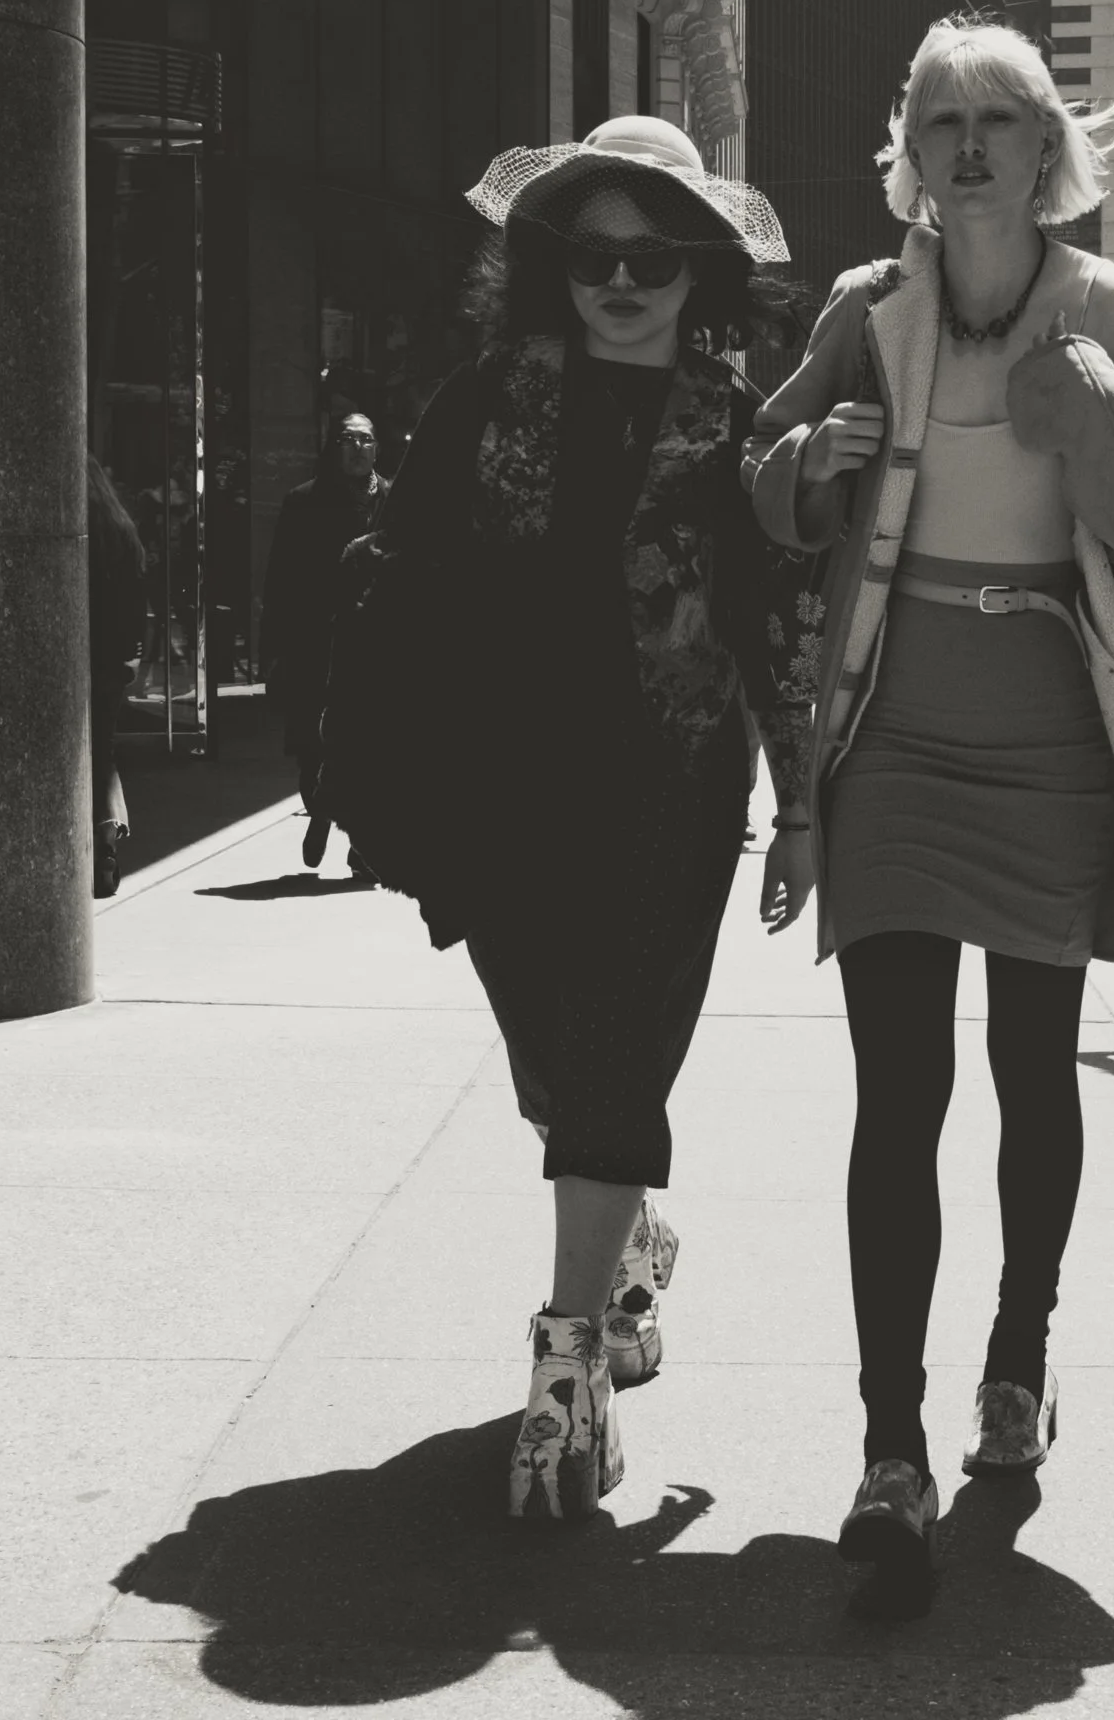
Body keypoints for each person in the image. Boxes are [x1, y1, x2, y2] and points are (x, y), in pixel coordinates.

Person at [745, 16, 1114, 1608]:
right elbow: (764, 480)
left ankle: (1016, 1357)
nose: (968, 142)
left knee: (1034, 1072)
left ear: (1051, 155)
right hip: (888, 735)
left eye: (1002, 118)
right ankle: (890, 1453)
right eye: (941, 117)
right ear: (909, 149)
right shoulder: (865, 310)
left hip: (1054, 739)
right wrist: (808, 467)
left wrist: (1098, 421)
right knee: (897, 1097)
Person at [322, 115, 817, 1521]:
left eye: (651, 255)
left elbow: (775, 619)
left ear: (697, 269)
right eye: (593, 254)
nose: (620, 279)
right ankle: (629, 1238)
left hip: (671, 788)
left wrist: (799, 808)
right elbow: (401, 572)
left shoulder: (739, 422)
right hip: (502, 786)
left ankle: (567, 1364)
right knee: (553, 1059)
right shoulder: (486, 396)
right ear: (555, 264)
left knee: (608, 1065)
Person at [260, 412, 390, 870]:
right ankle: (319, 810)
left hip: (376, 646)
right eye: (349, 439)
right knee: (312, 743)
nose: (358, 447)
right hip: (317, 643)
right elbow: (280, 579)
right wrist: (273, 647)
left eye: (366, 440)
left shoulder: (395, 499)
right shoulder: (305, 502)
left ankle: (362, 845)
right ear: (334, 446)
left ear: (378, 447)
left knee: (372, 746)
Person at [86, 456, 148, 897]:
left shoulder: (70, 526)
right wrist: (130, 655)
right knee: (102, 752)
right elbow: (135, 599)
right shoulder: (121, 531)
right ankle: (106, 841)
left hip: (73, 656)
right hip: (110, 662)